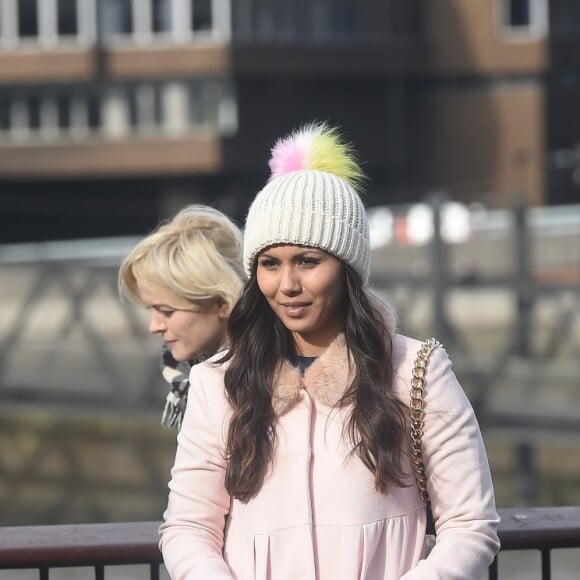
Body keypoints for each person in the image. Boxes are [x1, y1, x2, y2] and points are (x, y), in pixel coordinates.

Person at [159, 123, 500, 578]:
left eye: (307, 261)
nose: (287, 285)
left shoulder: (416, 370)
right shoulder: (219, 383)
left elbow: (471, 525)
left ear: (346, 268)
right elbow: (187, 528)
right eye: (269, 264)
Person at [118, 204, 246, 431]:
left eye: (167, 311)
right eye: (151, 310)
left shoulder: (256, 386)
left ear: (221, 303)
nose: (154, 326)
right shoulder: (190, 378)